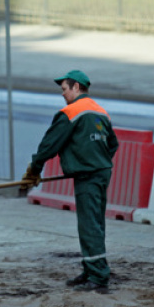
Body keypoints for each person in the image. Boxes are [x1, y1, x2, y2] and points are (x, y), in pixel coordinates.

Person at [22, 70, 120, 293]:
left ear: (76, 87)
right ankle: (90, 269)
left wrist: (34, 170)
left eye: (64, 89)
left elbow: (49, 145)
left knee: (89, 224)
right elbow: (112, 144)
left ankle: (98, 276)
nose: (63, 94)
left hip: (88, 175)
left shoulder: (70, 112)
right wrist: (96, 159)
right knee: (95, 222)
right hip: (101, 172)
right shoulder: (101, 112)